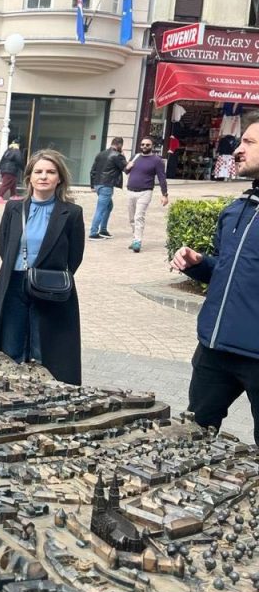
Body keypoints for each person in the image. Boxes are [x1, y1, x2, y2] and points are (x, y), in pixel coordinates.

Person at [171, 113, 259, 443]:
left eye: (249, 142)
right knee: (193, 436)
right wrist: (197, 264)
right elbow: (226, 269)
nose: (237, 149)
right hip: (215, 349)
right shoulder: (236, 209)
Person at [0, 149, 85, 385]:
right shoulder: (14, 208)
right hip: (14, 283)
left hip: (51, 287)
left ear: (59, 178)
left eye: (50, 172)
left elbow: (75, 257)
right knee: (11, 345)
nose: (44, 176)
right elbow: (4, 247)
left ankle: (47, 391)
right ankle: (11, 390)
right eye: (38, 172)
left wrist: (50, 276)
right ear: (29, 177)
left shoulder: (71, 213)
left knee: (46, 348)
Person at [124, 136, 168, 253]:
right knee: (132, 218)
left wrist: (164, 194)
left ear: (152, 146)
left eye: (147, 145)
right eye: (143, 144)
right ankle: (135, 238)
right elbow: (126, 171)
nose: (144, 146)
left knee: (139, 216)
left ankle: (137, 241)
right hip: (131, 191)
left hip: (145, 192)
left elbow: (162, 178)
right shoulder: (135, 157)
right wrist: (127, 167)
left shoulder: (157, 160)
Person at [87, 137, 127, 240]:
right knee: (100, 209)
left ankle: (103, 230)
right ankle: (93, 233)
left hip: (98, 184)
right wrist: (123, 156)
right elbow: (126, 169)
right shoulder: (117, 155)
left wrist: (92, 185)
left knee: (109, 206)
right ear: (120, 145)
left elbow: (92, 171)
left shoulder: (101, 154)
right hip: (106, 185)